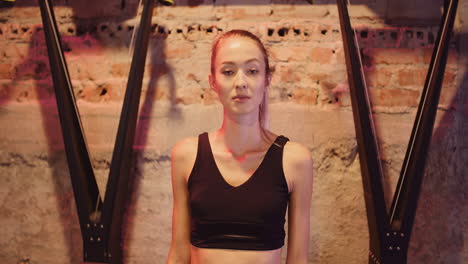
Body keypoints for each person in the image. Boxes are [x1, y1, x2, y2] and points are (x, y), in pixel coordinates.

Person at [167, 29, 313, 264]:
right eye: (228, 71)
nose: (241, 82)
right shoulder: (186, 155)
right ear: (213, 81)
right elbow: (178, 253)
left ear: (267, 79)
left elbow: (298, 259)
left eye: (253, 71)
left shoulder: (294, 160)